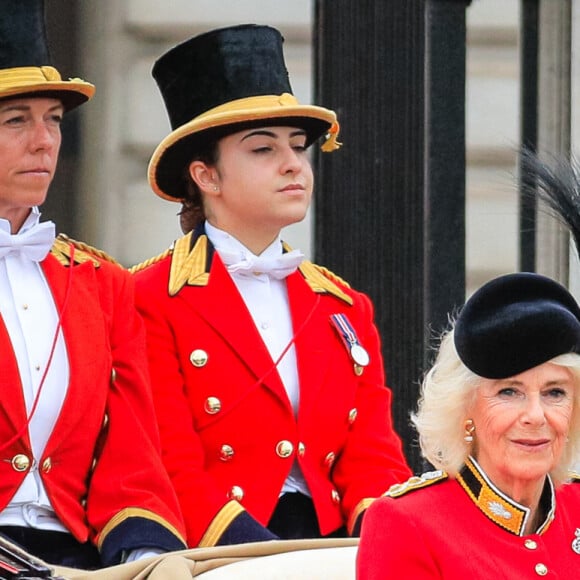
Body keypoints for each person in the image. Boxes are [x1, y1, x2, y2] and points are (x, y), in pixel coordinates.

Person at [131, 23, 412, 548]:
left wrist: (383, 544)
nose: (294, 165)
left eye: (299, 146)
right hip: (220, 549)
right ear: (206, 176)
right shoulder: (147, 299)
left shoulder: (345, 305)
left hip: (334, 550)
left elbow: (374, 456)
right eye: (262, 149)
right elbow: (167, 459)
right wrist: (259, 558)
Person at [0, 0, 186, 569]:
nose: (44, 141)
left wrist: (147, 555)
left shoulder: (102, 281)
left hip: (79, 558)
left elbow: (132, 456)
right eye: (16, 120)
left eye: (53, 118)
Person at [357, 271, 580, 578]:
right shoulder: (407, 522)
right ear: (465, 411)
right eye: (509, 392)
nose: (536, 415)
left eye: (555, 392)